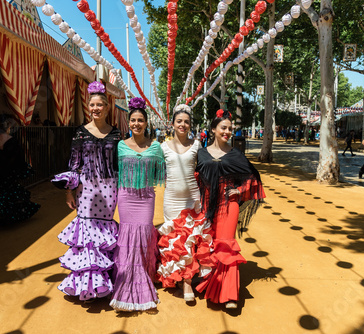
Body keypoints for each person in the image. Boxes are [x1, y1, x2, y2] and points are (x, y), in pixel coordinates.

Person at [51, 81, 121, 301]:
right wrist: (69, 191)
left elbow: (120, 163)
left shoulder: (117, 134)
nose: (95, 109)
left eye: (100, 105)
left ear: (107, 108)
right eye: (92, 105)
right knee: (88, 234)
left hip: (109, 189)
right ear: (88, 107)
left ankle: (103, 281)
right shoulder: (80, 133)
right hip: (87, 190)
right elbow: (74, 164)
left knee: (103, 234)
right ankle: (87, 285)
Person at [195, 109, 266, 309]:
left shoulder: (236, 154)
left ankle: (229, 294)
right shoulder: (201, 153)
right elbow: (197, 178)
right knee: (209, 242)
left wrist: (239, 190)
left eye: (230, 128)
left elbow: (253, 178)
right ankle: (211, 284)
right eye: (223, 128)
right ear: (213, 129)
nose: (227, 131)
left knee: (226, 243)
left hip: (229, 205)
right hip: (208, 205)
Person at [109, 97, 165, 312]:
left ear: (146, 123)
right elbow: (112, 171)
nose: (137, 124)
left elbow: (162, 172)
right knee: (127, 237)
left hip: (146, 199)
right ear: (129, 122)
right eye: (133, 120)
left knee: (142, 237)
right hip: (126, 197)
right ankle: (124, 285)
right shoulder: (121, 146)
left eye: (140, 120)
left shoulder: (156, 147)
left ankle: (143, 282)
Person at [157, 104, 212, 302]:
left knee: (191, 239)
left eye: (186, 122)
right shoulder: (162, 147)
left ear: (190, 125)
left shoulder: (197, 145)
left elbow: (208, 167)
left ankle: (187, 281)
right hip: (171, 200)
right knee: (175, 240)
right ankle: (180, 278)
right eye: (179, 121)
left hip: (192, 199)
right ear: (172, 124)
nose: (183, 124)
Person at [0, 114, 40, 223]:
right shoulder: (12, 140)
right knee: (11, 192)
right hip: (10, 172)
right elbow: (18, 157)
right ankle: (11, 215)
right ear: (8, 129)